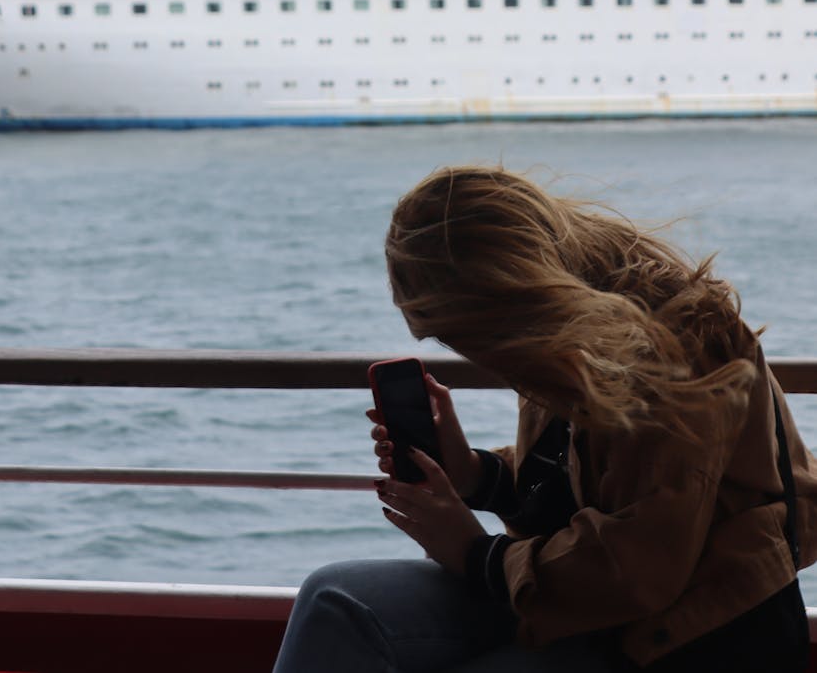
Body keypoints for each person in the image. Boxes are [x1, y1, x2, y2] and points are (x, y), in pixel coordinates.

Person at [273, 165, 817, 672]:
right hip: (589, 607)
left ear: (501, 306)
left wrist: (475, 553)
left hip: (691, 636)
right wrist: (475, 475)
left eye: (454, 333)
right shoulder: (568, 333)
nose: (465, 351)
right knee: (335, 598)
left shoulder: (675, 351)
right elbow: (588, 484)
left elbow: (639, 567)